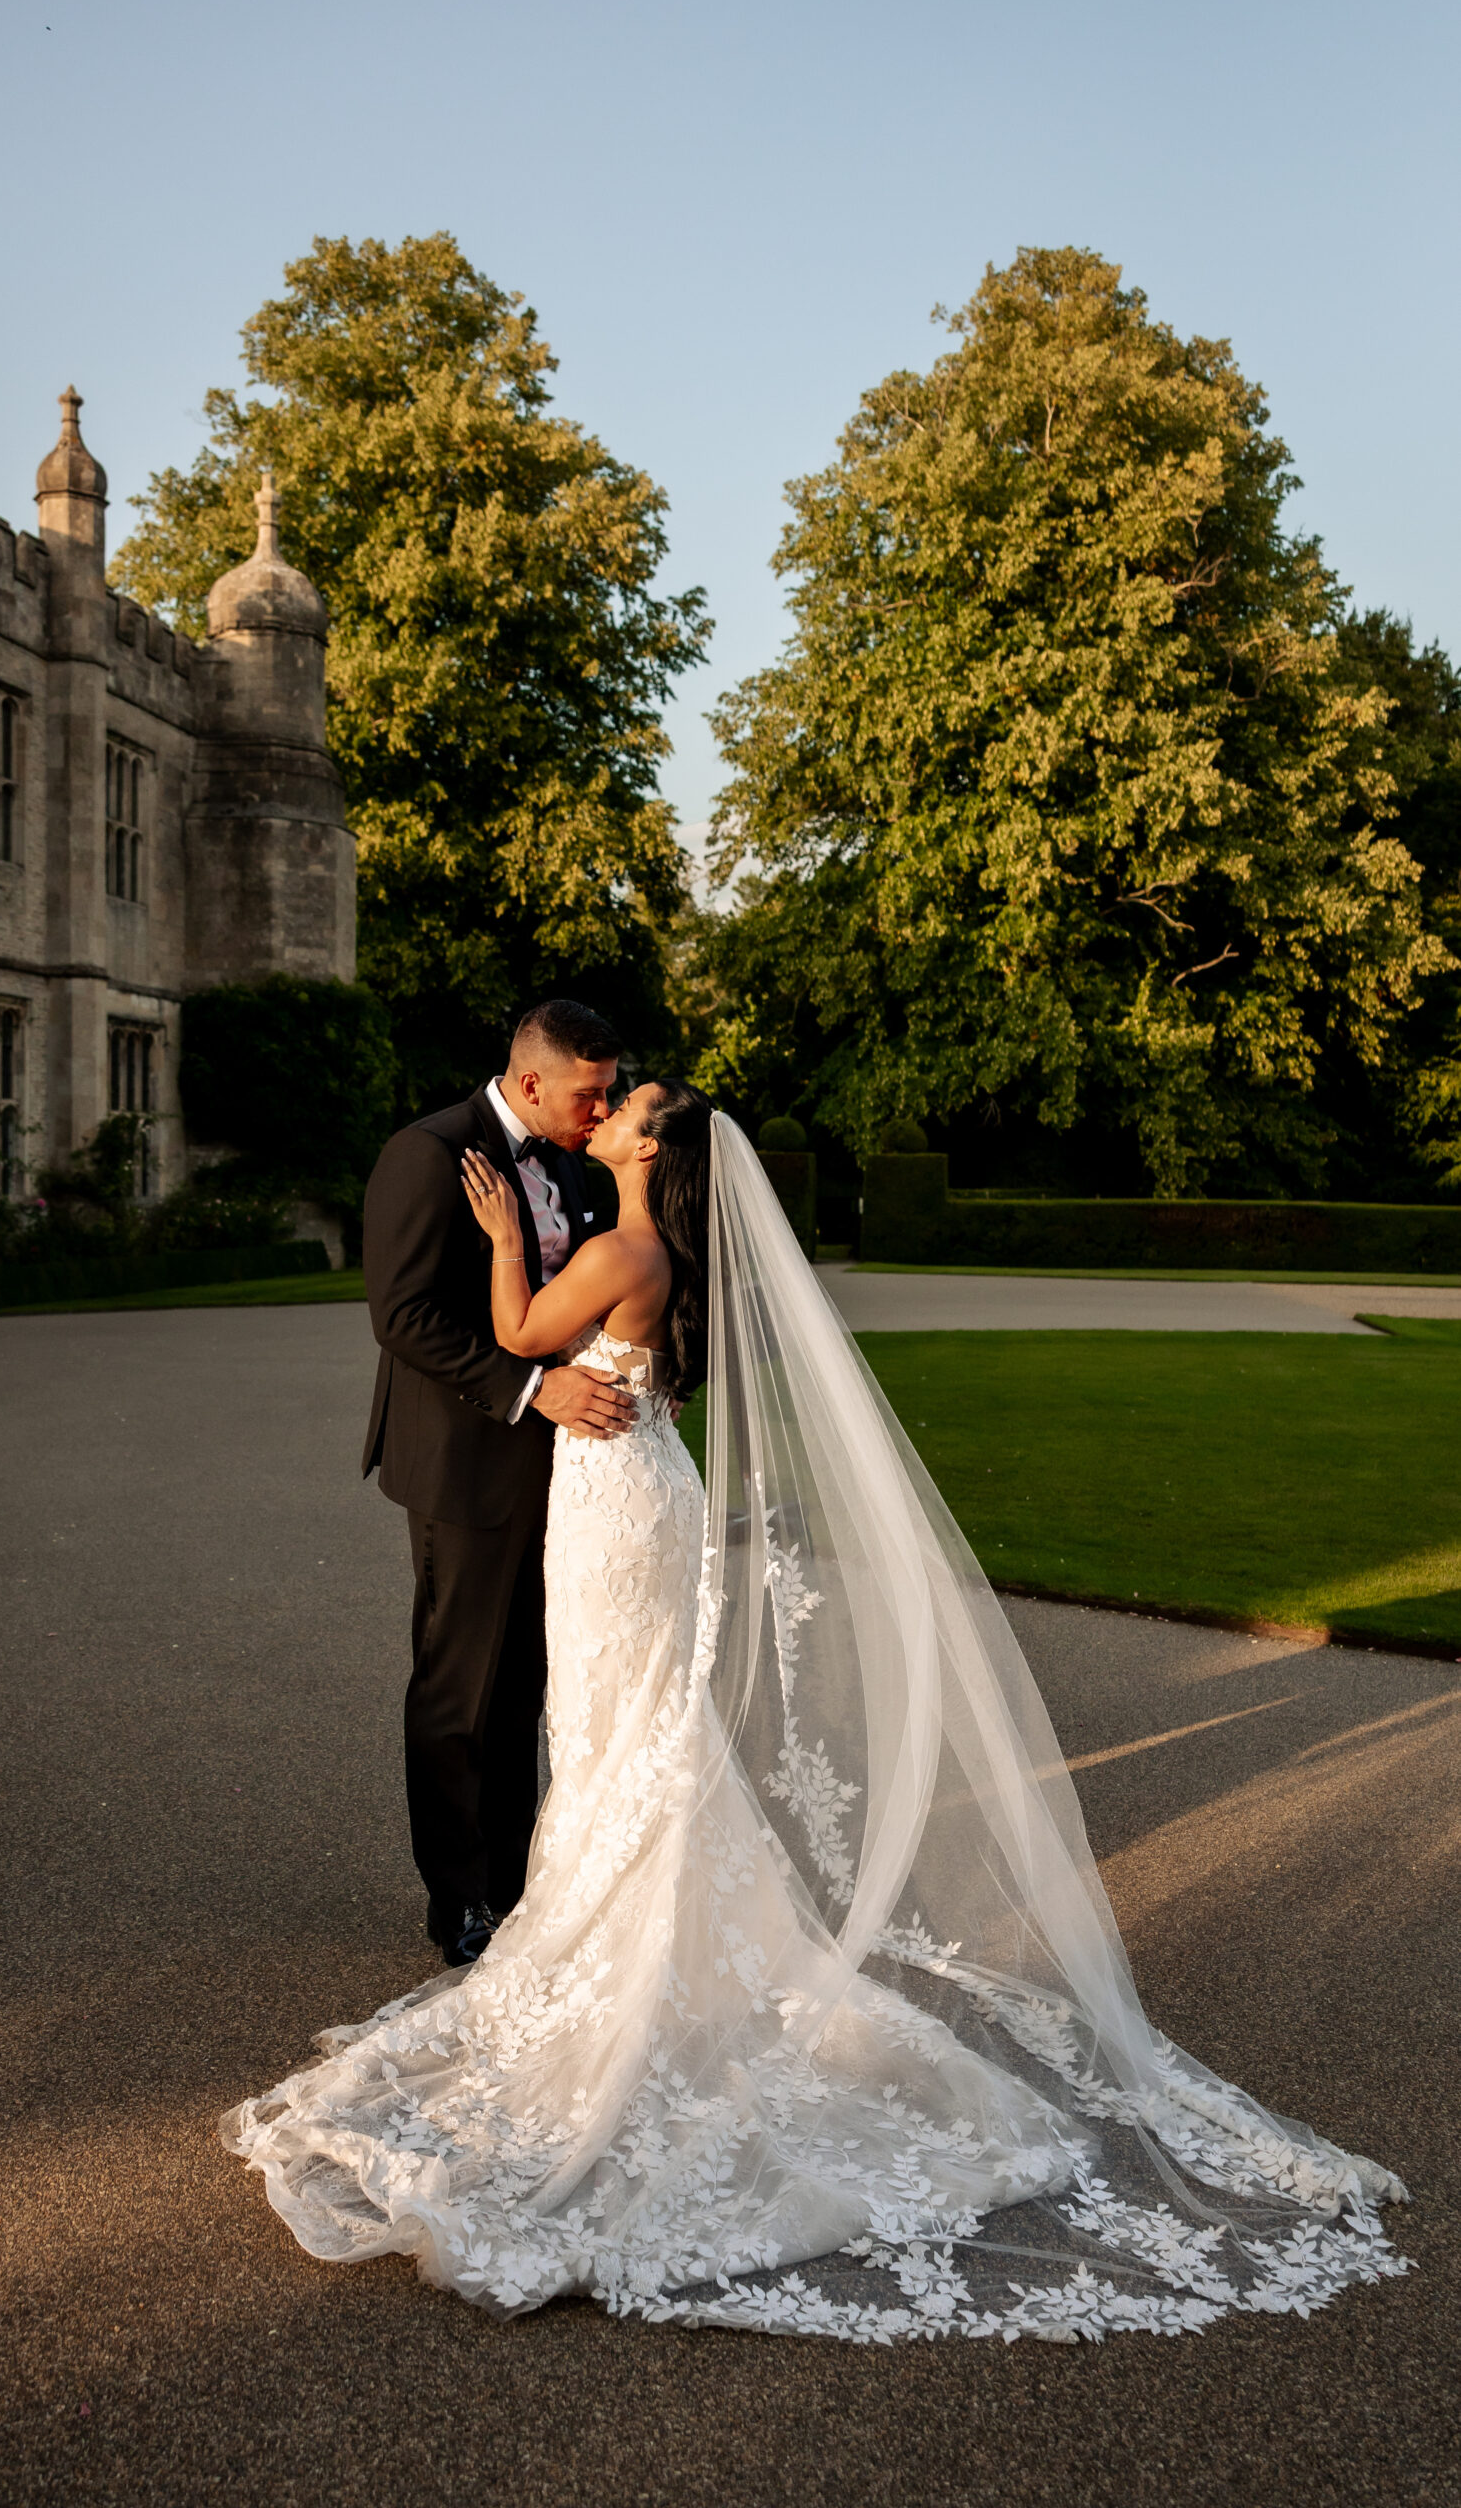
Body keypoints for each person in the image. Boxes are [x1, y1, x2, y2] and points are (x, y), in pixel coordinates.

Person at [225, 1085, 1409, 2346]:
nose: (615, 1109)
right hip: (649, 1487)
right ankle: (649, 1920)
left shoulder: (623, 1246)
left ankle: (622, 1940)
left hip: (612, 1506)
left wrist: (509, 1243)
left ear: (650, 1151)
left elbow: (517, 1331)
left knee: (616, 1726)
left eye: (629, 1109)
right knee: (645, 1724)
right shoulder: (677, 1259)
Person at [358, 1000, 635, 1968]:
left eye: (609, 1094)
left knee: (522, 1681)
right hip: (465, 1459)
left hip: (563, 1461)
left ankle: (518, 1884)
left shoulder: (569, 1158)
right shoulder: (427, 1153)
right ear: (529, 1083)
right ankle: (460, 1899)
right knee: (459, 1686)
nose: (602, 1111)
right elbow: (403, 1315)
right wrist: (533, 1386)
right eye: (588, 1094)